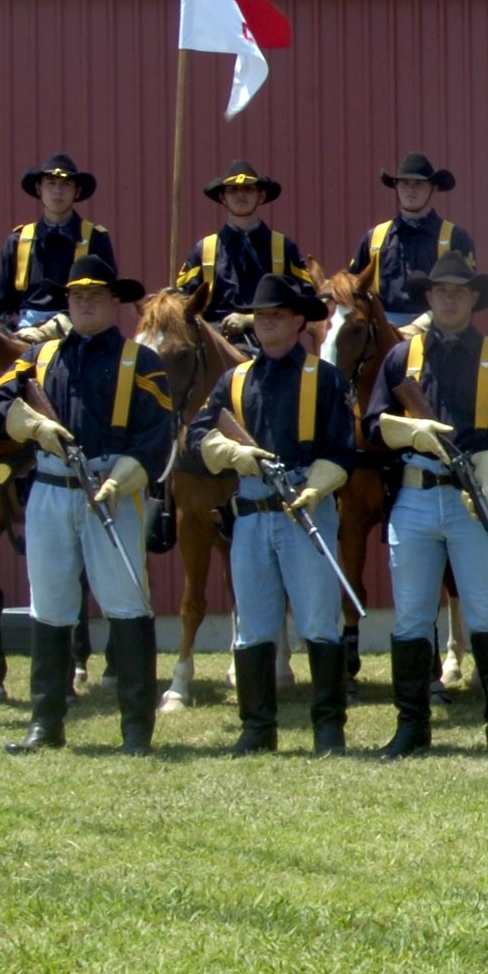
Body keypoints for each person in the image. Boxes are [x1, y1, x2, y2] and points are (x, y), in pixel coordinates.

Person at [0, 254, 174, 754]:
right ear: (67, 303)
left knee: (127, 603)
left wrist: (124, 478)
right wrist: (30, 424)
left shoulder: (141, 361)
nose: (85, 302)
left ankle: (135, 729)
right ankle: (45, 724)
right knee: (49, 604)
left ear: (114, 302)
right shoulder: (38, 358)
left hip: (114, 490)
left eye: (95, 295)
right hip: (49, 487)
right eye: (76, 295)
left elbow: (158, 434)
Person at [362, 253, 488, 758]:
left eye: (459, 291)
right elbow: (373, 425)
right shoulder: (401, 359)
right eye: (440, 291)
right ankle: (412, 727)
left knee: (485, 613)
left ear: (475, 298)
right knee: (412, 617)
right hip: (414, 496)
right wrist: (410, 429)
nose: (450, 298)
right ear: (429, 298)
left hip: (474, 498)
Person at [189, 274, 356, 754]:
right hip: (251, 511)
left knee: (320, 622)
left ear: (299, 321)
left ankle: (328, 729)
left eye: (277, 316)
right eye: (261, 317)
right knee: (255, 626)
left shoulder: (325, 380)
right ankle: (257, 728)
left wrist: (316, 485)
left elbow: (344, 451)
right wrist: (231, 453)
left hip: (308, 507)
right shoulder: (234, 379)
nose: (267, 326)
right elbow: (199, 436)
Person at [173, 162, 315, 335]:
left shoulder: (284, 248)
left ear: (261, 196)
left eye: (248, 189)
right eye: (233, 190)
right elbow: (184, 303)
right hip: (215, 344)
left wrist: (251, 320)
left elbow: (306, 302)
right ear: (223, 198)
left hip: (270, 345)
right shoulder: (203, 250)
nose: (240, 195)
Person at [0, 153, 116, 335]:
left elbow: (107, 298)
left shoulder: (96, 239)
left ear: (77, 191)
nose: (58, 191)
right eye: (51, 183)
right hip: (27, 334)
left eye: (66, 184)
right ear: (39, 189)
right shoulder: (17, 241)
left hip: (79, 333)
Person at [347, 152, 475, 328]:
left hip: (437, 331)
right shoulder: (375, 238)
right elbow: (353, 289)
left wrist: (426, 322)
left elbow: (468, 292)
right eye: (405, 183)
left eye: (419, 184)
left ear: (434, 188)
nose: (410, 189)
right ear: (396, 187)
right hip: (382, 334)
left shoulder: (455, 237)